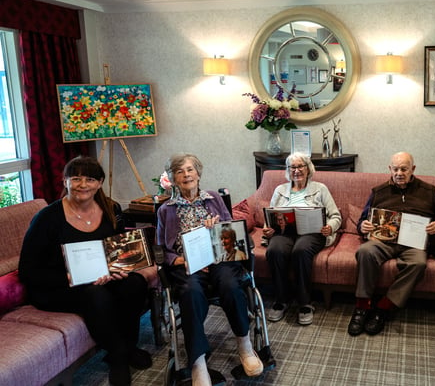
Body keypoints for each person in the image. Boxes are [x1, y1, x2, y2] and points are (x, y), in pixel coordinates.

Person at [18, 156, 151, 386]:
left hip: (101, 277)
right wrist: (75, 277)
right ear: (64, 181)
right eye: (75, 178)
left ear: (99, 182)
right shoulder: (47, 218)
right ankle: (118, 356)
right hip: (57, 285)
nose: (82, 184)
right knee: (96, 294)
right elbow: (28, 271)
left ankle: (130, 346)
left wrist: (119, 270)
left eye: (89, 179)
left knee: (135, 283)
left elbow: (117, 253)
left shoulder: (111, 208)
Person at [157, 153, 263, 385]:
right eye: (180, 171)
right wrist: (182, 261)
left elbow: (232, 233)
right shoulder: (166, 210)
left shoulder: (214, 198)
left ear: (198, 173)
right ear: (173, 179)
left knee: (230, 284)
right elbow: (162, 249)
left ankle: (244, 345)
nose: (186, 175)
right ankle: (198, 362)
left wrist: (217, 231)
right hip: (187, 265)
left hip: (219, 259)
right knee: (191, 292)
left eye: (190, 169)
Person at [349, 151, 435, 336]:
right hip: (383, 241)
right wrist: (363, 226)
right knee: (365, 251)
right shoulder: (378, 191)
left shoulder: (428, 191)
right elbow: (362, 220)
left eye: (404, 169)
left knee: (419, 263)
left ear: (412, 169)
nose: (399, 173)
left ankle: (383, 307)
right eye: (395, 169)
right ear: (390, 169)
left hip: (413, 243)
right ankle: (362, 307)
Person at [262, 152, 341, 326]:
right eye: (293, 167)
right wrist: (267, 228)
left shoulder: (320, 189)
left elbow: (335, 215)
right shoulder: (280, 190)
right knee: (275, 249)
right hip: (285, 232)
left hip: (312, 233)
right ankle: (281, 300)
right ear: (288, 170)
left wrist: (330, 227)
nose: (296, 171)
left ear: (308, 168)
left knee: (301, 250)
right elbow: (271, 216)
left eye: (300, 166)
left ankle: (304, 303)